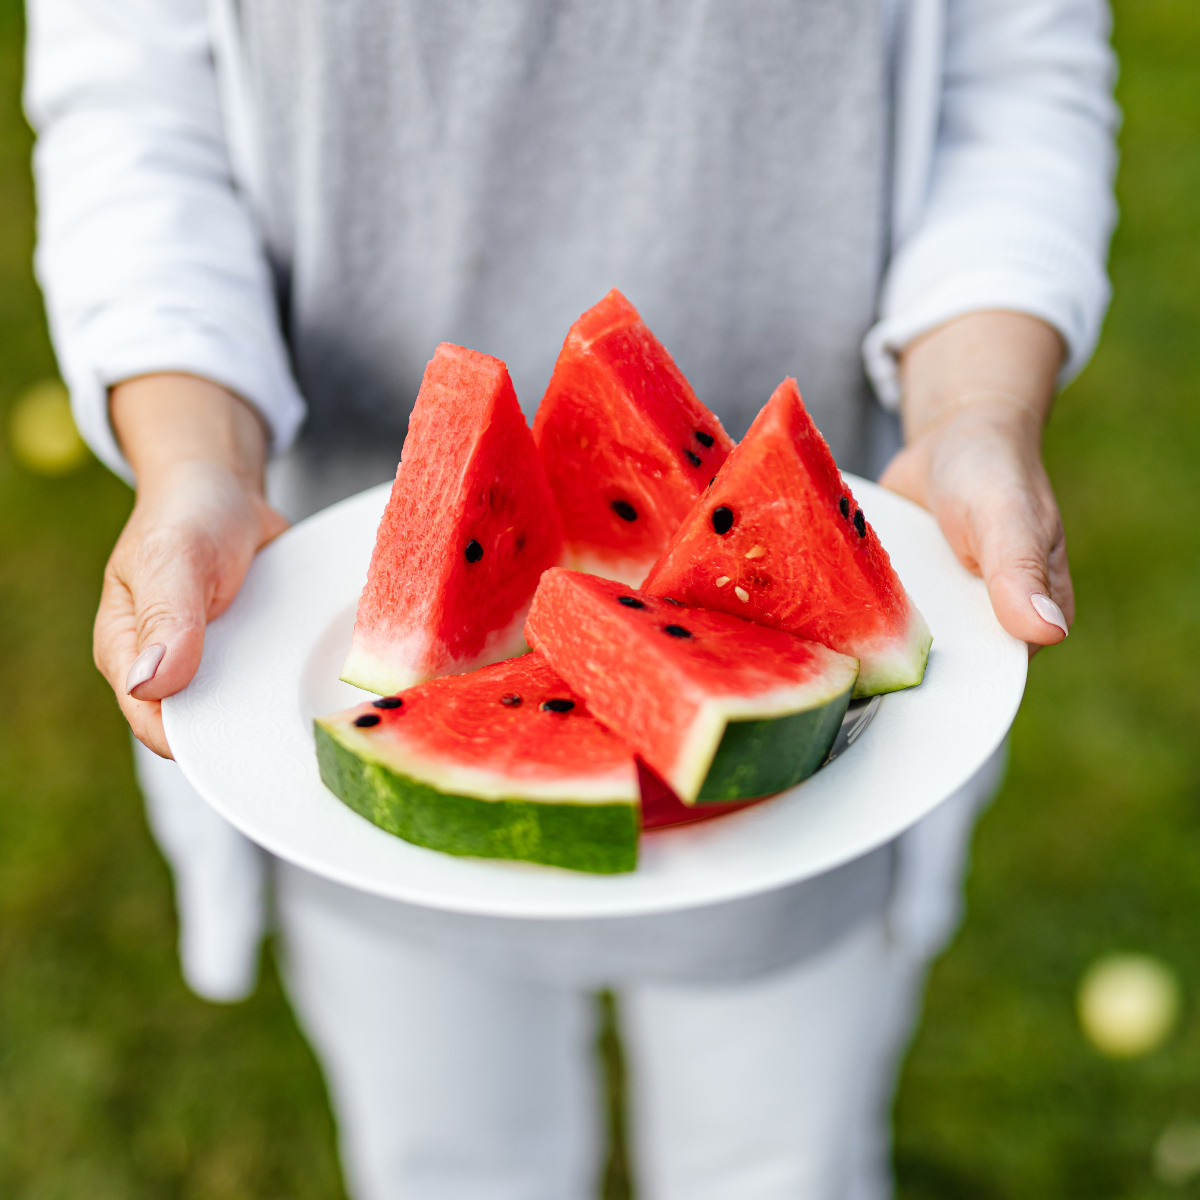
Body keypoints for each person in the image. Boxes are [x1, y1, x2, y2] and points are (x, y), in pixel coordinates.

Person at [26, 1, 1117, 1196]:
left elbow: (1012, 78)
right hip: (326, 589)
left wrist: (975, 412)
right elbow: (137, 114)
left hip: (811, 746)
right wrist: (196, 461)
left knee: (778, 1158)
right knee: (447, 1155)